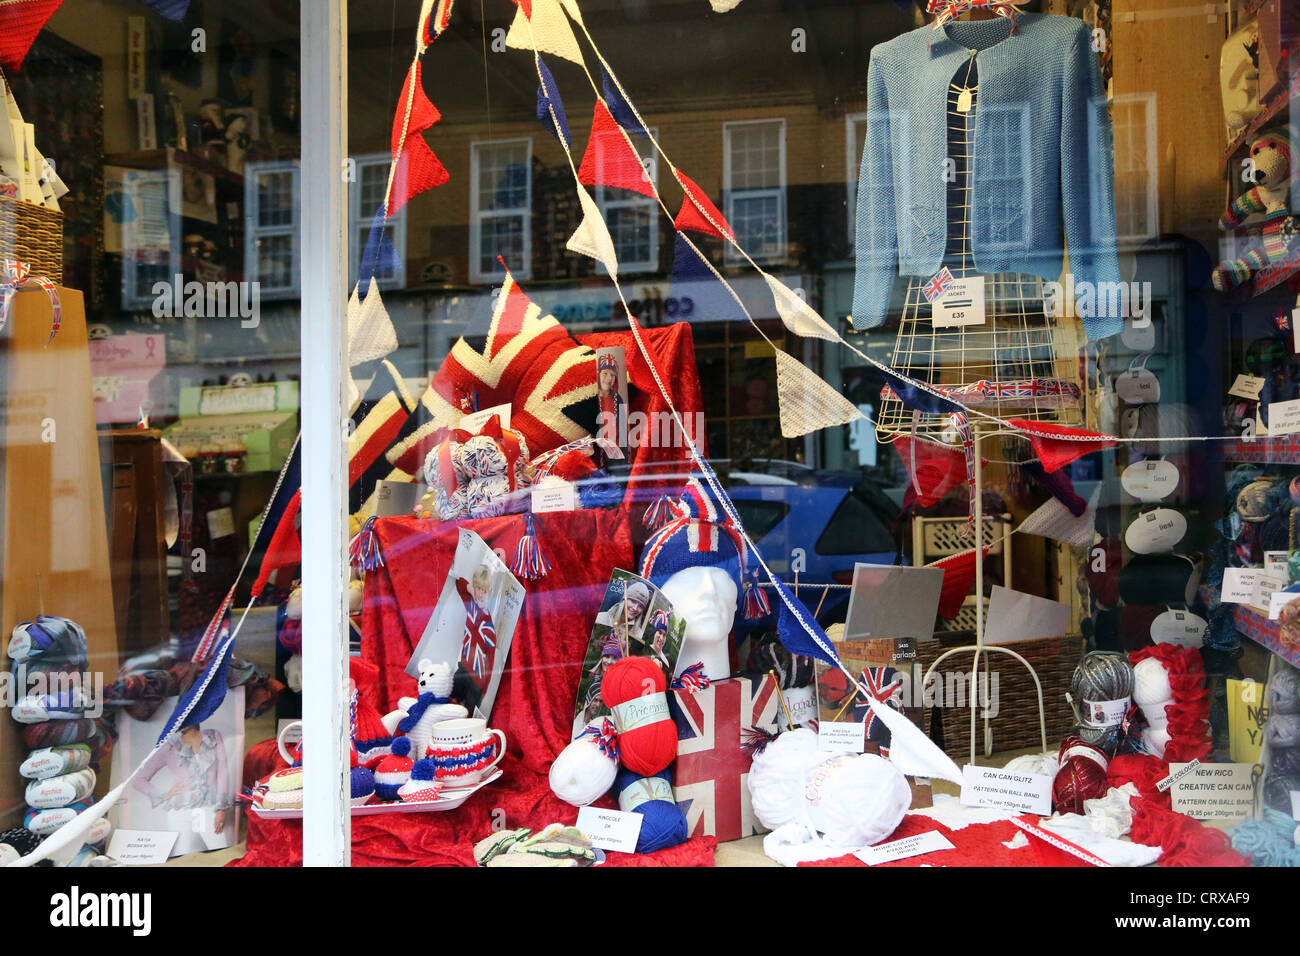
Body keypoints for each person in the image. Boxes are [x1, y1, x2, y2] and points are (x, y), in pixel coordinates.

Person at [133, 723, 230, 836]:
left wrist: (221, 809)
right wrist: (164, 795)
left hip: (208, 808)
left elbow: (222, 772)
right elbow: (139, 780)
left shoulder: (212, 737)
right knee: (182, 853)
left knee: (217, 849)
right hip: (179, 811)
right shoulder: (169, 747)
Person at [454, 564, 497, 701]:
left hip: (477, 683)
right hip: (462, 668)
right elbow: (458, 582)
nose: (480, 594)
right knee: (449, 698)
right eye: (478, 588)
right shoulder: (470, 604)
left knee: (467, 717)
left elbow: (491, 660)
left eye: (484, 591)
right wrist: (471, 590)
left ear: (489, 593)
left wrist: (484, 691)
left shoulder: (489, 627)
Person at [595, 352, 624, 448]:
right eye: (605, 373)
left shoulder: (618, 399)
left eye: (612, 375)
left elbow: (623, 429)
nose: (609, 378)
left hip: (616, 449)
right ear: (598, 375)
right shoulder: (592, 398)